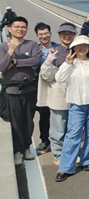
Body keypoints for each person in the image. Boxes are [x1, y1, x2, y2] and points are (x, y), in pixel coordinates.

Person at [54, 36, 89, 182]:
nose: (82, 48)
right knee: (73, 134)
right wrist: (67, 64)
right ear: (73, 47)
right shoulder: (70, 63)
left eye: (85, 45)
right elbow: (59, 78)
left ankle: (88, 160)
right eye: (79, 45)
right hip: (76, 104)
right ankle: (65, 167)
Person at [0, 16, 41, 166]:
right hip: (12, 90)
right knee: (15, 122)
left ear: (27, 29)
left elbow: (35, 60)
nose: (20, 29)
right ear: (9, 29)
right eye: (17, 27)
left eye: (23, 27)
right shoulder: (3, 47)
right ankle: (17, 151)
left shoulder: (32, 44)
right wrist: (11, 50)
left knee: (29, 121)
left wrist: (16, 61)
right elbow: (2, 67)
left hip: (29, 89)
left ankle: (26, 148)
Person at [40, 22, 77, 166]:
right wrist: (49, 62)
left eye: (70, 33)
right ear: (59, 35)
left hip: (77, 94)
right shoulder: (53, 52)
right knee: (59, 127)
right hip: (59, 94)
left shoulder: (80, 49)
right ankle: (59, 154)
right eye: (64, 34)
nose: (67, 36)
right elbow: (47, 75)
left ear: (74, 35)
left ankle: (72, 152)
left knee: (74, 127)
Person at [34, 21, 57, 154]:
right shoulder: (35, 50)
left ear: (50, 34)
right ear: (37, 36)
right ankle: (45, 140)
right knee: (44, 114)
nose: (44, 36)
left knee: (58, 115)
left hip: (56, 85)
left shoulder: (57, 47)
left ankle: (58, 141)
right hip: (41, 86)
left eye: (46, 33)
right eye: (41, 34)